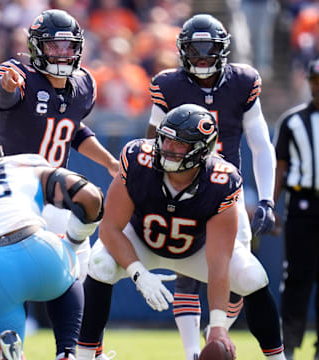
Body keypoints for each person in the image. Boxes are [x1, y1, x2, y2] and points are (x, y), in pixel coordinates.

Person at [76, 104, 286, 360]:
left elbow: (219, 260)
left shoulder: (221, 181)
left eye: (179, 144)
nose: (168, 148)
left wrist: (218, 327)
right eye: (166, 140)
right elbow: (110, 228)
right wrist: (138, 273)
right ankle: (86, 356)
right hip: (141, 241)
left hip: (196, 249)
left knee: (253, 277)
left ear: (201, 150)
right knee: (100, 264)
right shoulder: (138, 158)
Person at [0, 9, 119, 359]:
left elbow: (72, 128)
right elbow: (3, 98)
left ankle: (80, 351)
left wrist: (108, 161)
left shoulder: (82, 85)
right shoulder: (19, 75)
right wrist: (6, 88)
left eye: (68, 46)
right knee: (15, 273)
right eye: (54, 46)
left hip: (53, 191)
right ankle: (10, 342)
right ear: (35, 47)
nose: (62, 53)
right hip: (14, 191)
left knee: (88, 269)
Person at [145, 13, 276, 359]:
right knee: (186, 273)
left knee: (238, 279)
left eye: (209, 49)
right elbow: (151, 143)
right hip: (181, 188)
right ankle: (192, 353)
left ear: (223, 50)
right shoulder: (169, 84)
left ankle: (214, 335)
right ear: (182, 51)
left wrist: (266, 198)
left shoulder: (243, 81)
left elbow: (261, 144)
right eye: (195, 50)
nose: (202, 57)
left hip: (224, 191)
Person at [0, 127, 104, 360]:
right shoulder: (21, 164)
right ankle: (66, 352)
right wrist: (72, 242)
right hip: (39, 248)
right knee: (69, 264)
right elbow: (89, 196)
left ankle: (3, 355)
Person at [273, 58, 319, 360]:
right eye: (316, 80)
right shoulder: (292, 121)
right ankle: (288, 346)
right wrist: (271, 205)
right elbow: (280, 166)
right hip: (303, 204)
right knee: (297, 278)